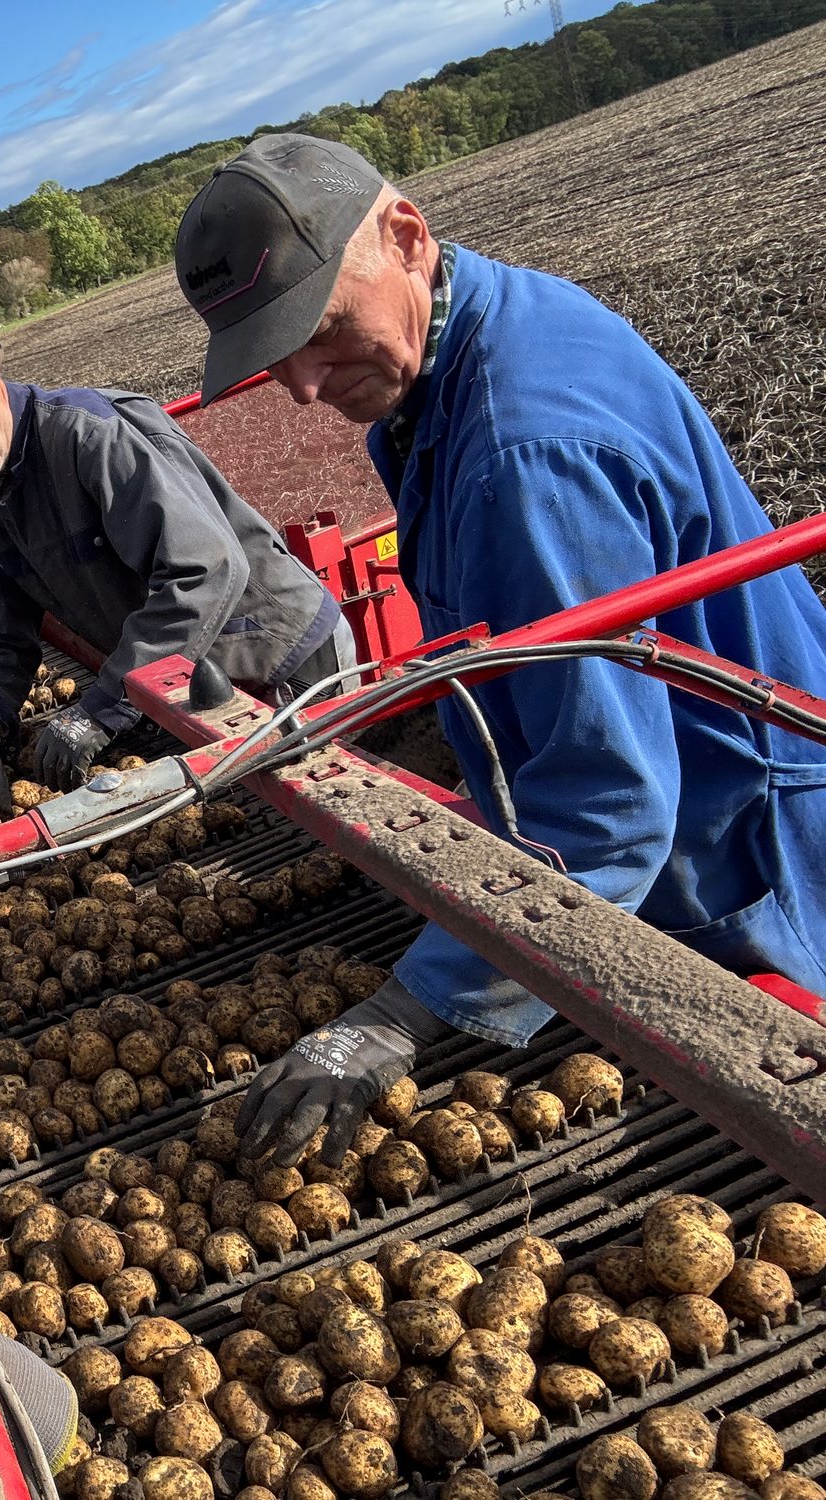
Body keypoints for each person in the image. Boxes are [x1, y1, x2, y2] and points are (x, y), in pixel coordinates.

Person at [172, 133, 826, 1166]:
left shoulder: (525, 457)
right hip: (695, 775)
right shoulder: (461, 338)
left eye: (315, 329)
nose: (298, 386)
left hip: (734, 834)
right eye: (270, 356)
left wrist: (396, 1015)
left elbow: (607, 810)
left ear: (404, 236)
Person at [0, 318, 355, 824]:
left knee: (333, 823)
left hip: (280, 660)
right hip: (187, 683)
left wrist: (103, 707)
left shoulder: (89, 437)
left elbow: (204, 570)